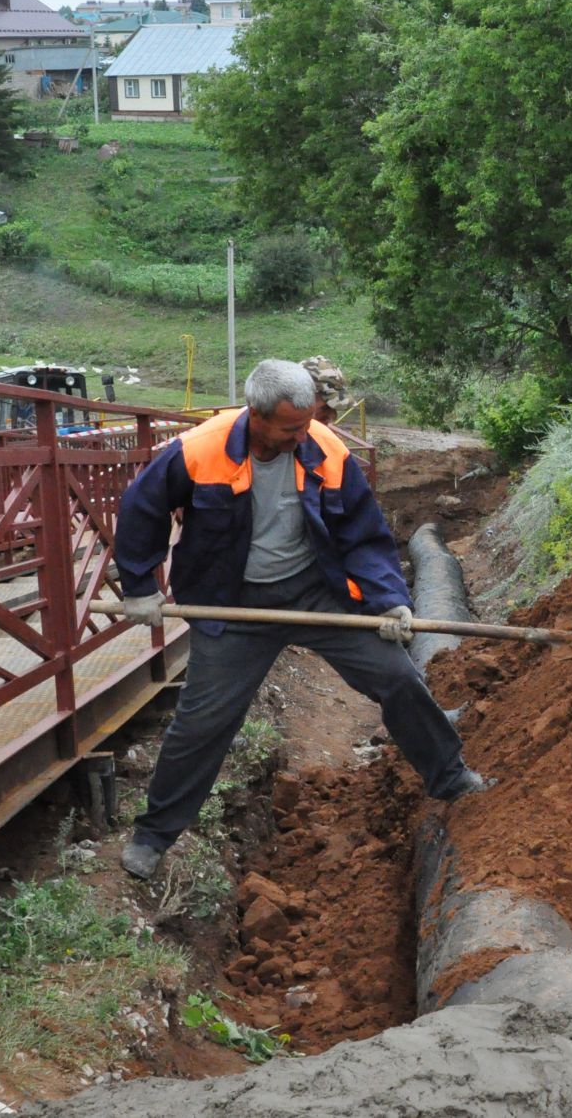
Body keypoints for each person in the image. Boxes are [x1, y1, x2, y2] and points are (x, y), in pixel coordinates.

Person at [112, 358, 490, 880]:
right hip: (233, 606)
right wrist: (138, 587)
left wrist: (387, 599)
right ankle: (153, 838)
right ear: (257, 416)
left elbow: (362, 531)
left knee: (398, 677)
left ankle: (450, 778)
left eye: (310, 420)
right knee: (200, 724)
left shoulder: (325, 448)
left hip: (316, 593)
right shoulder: (201, 450)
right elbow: (141, 508)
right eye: (292, 427)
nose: (304, 434)